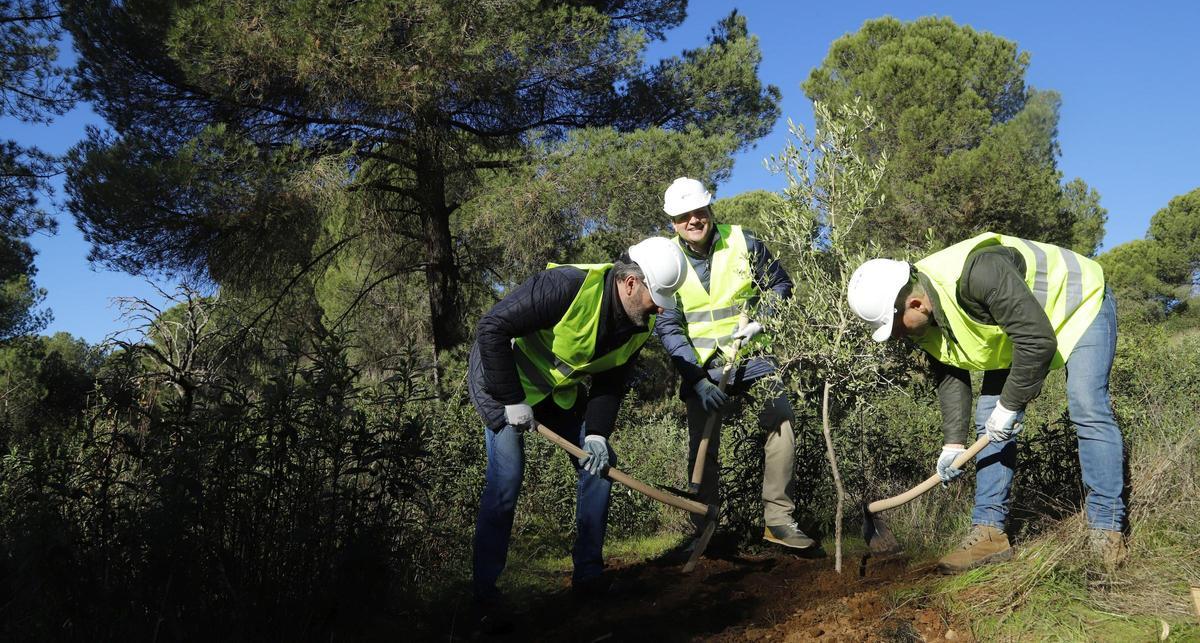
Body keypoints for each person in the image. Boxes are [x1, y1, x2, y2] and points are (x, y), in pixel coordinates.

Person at [847, 232, 1127, 573]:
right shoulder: (924, 317)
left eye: (896, 328)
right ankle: (988, 533)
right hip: (1019, 330)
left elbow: (1037, 342)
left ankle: (1106, 529)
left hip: (1079, 304)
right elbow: (951, 373)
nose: (898, 337)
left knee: (1086, 406)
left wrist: (1009, 407)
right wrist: (952, 444)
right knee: (988, 417)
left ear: (916, 304)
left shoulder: (980, 274)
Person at [468, 236, 687, 628]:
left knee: (599, 467)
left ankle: (588, 576)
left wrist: (598, 434)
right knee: (507, 478)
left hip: (555, 396)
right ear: (631, 283)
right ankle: (483, 595)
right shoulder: (568, 286)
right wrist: (514, 399)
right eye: (656, 296)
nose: (659, 308)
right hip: (502, 383)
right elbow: (492, 328)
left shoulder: (638, 326)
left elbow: (610, 383)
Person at [653, 177, 813, 551]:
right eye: (683, 216)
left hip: (752, 356)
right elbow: (669, 327)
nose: (693, 220)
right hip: (704, 369)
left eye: (699, 211)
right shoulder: (666, 262)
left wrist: (762, 321)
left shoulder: (743, 241)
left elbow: (779, 285)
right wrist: (696, 380)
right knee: (702, 447)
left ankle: (778, 519)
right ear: (673, 223)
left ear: (710, 210)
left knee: (782, 420)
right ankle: (704, 528)